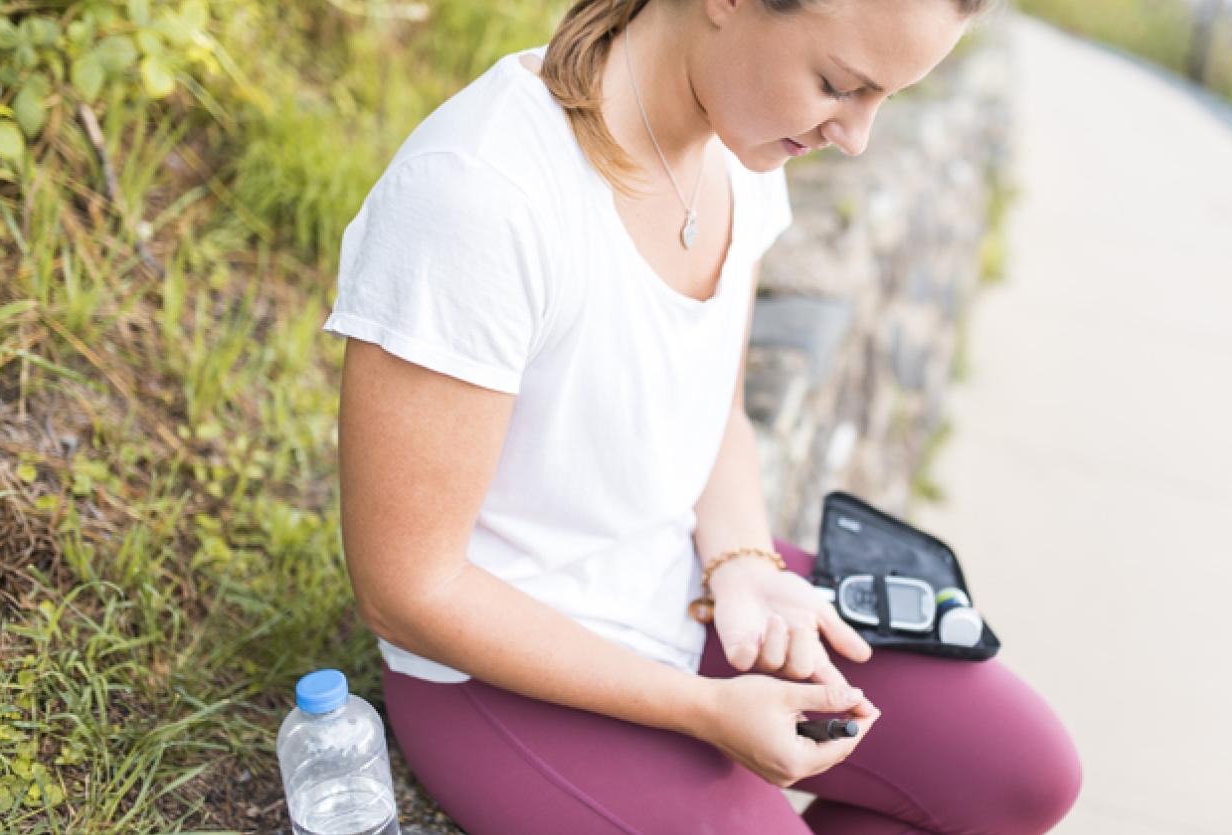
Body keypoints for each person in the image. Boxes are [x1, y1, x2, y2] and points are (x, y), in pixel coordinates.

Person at [322, 0, 1082, 831]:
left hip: (678, 583)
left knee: (1023, 773)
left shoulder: (738, 144)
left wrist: (746, 565)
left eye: (884, 98)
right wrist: (700, 708)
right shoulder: (478, 195)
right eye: (838, 84)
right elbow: (408, 589)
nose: (856, 137)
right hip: (499, 669)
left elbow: (712, 408)